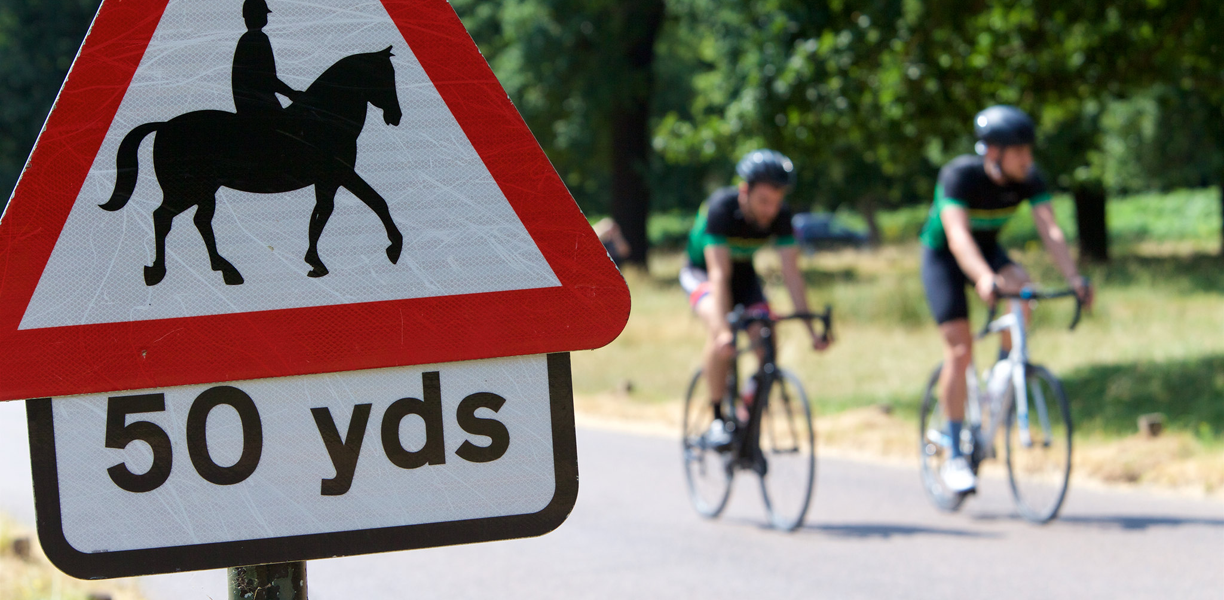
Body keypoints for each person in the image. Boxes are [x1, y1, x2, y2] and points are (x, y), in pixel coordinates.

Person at [919, 105, 1094, 493]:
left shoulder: (1028, 178)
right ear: (993, 153)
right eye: (1020, 153)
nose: (1028, 161)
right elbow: (958, 236)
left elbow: (1050, 230)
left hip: (989, 250)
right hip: (945, 257)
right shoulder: (959, 176)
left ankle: (1000, 376)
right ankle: (954, 452)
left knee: (1023, 290)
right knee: (960, 349)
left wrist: (1074, 278)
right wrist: (982, 277)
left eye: (1029, 152)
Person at [681, 149, 829, 446]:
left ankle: (748, 409)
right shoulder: (721, 208)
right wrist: (724, 331)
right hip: (704, 273)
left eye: (777, 202)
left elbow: (791, 274)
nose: (770, 210)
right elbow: (719, 274)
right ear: (744, 191)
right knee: (719, 331)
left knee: (766, 336)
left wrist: (810, 328)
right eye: (763, 201)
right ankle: (718, 417)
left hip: (744, 274)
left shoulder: (781, 216)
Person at [232, 0, 302, 117]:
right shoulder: (258, 39)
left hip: (250, 103)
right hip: (260, 103)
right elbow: (266, 78)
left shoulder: (247, 39)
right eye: (263, 14)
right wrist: (291, 93)